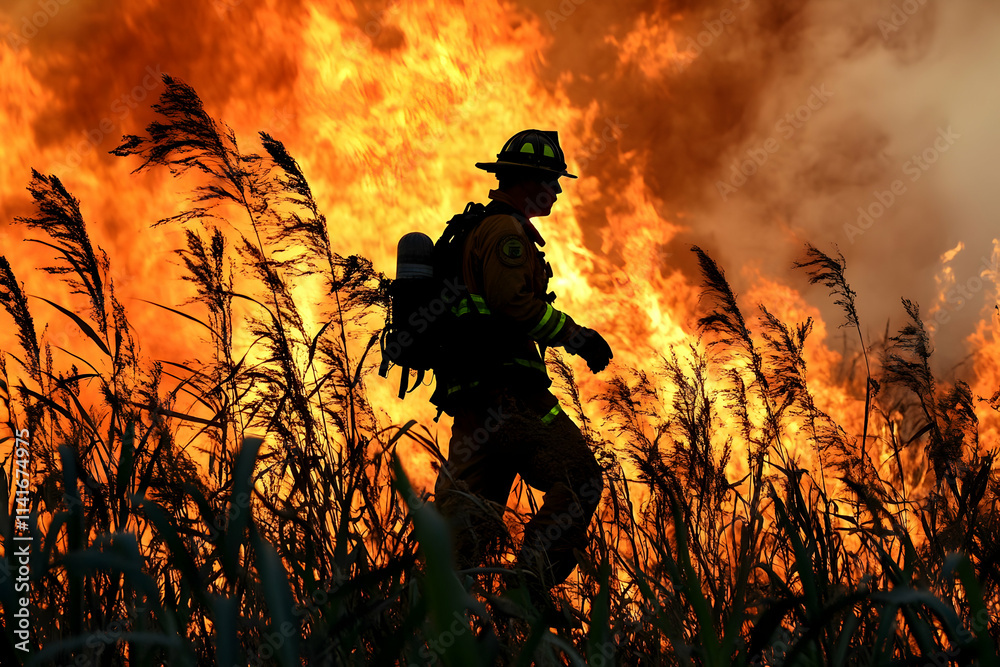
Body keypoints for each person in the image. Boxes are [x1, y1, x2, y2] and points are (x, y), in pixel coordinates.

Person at [430, 129, 613, 615]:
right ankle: (526, 590)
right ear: (528, 181)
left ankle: (423, 623)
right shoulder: (507, 234)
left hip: (476, 404)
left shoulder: (478, 230)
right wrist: (575, 336)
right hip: (513, 400)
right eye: (551, 180)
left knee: (465, 526)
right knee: (580, 479)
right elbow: (513, 304)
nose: (556, 190)